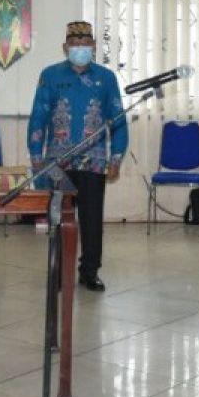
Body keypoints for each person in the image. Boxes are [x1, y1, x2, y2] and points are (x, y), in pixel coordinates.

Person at [27, 20, 128, 292]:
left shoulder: (106, 78)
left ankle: (90, 272)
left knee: (92, 221)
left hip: (94, 163)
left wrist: (116, 158)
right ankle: (58, 271)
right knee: (59, 219)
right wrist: (37, 158)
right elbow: (38, 118)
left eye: (85, 43)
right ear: (65, 47)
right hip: (58, 163)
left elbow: (117, 119)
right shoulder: (50, 76)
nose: (80, 48)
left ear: (93, 46)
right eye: (74, 43)